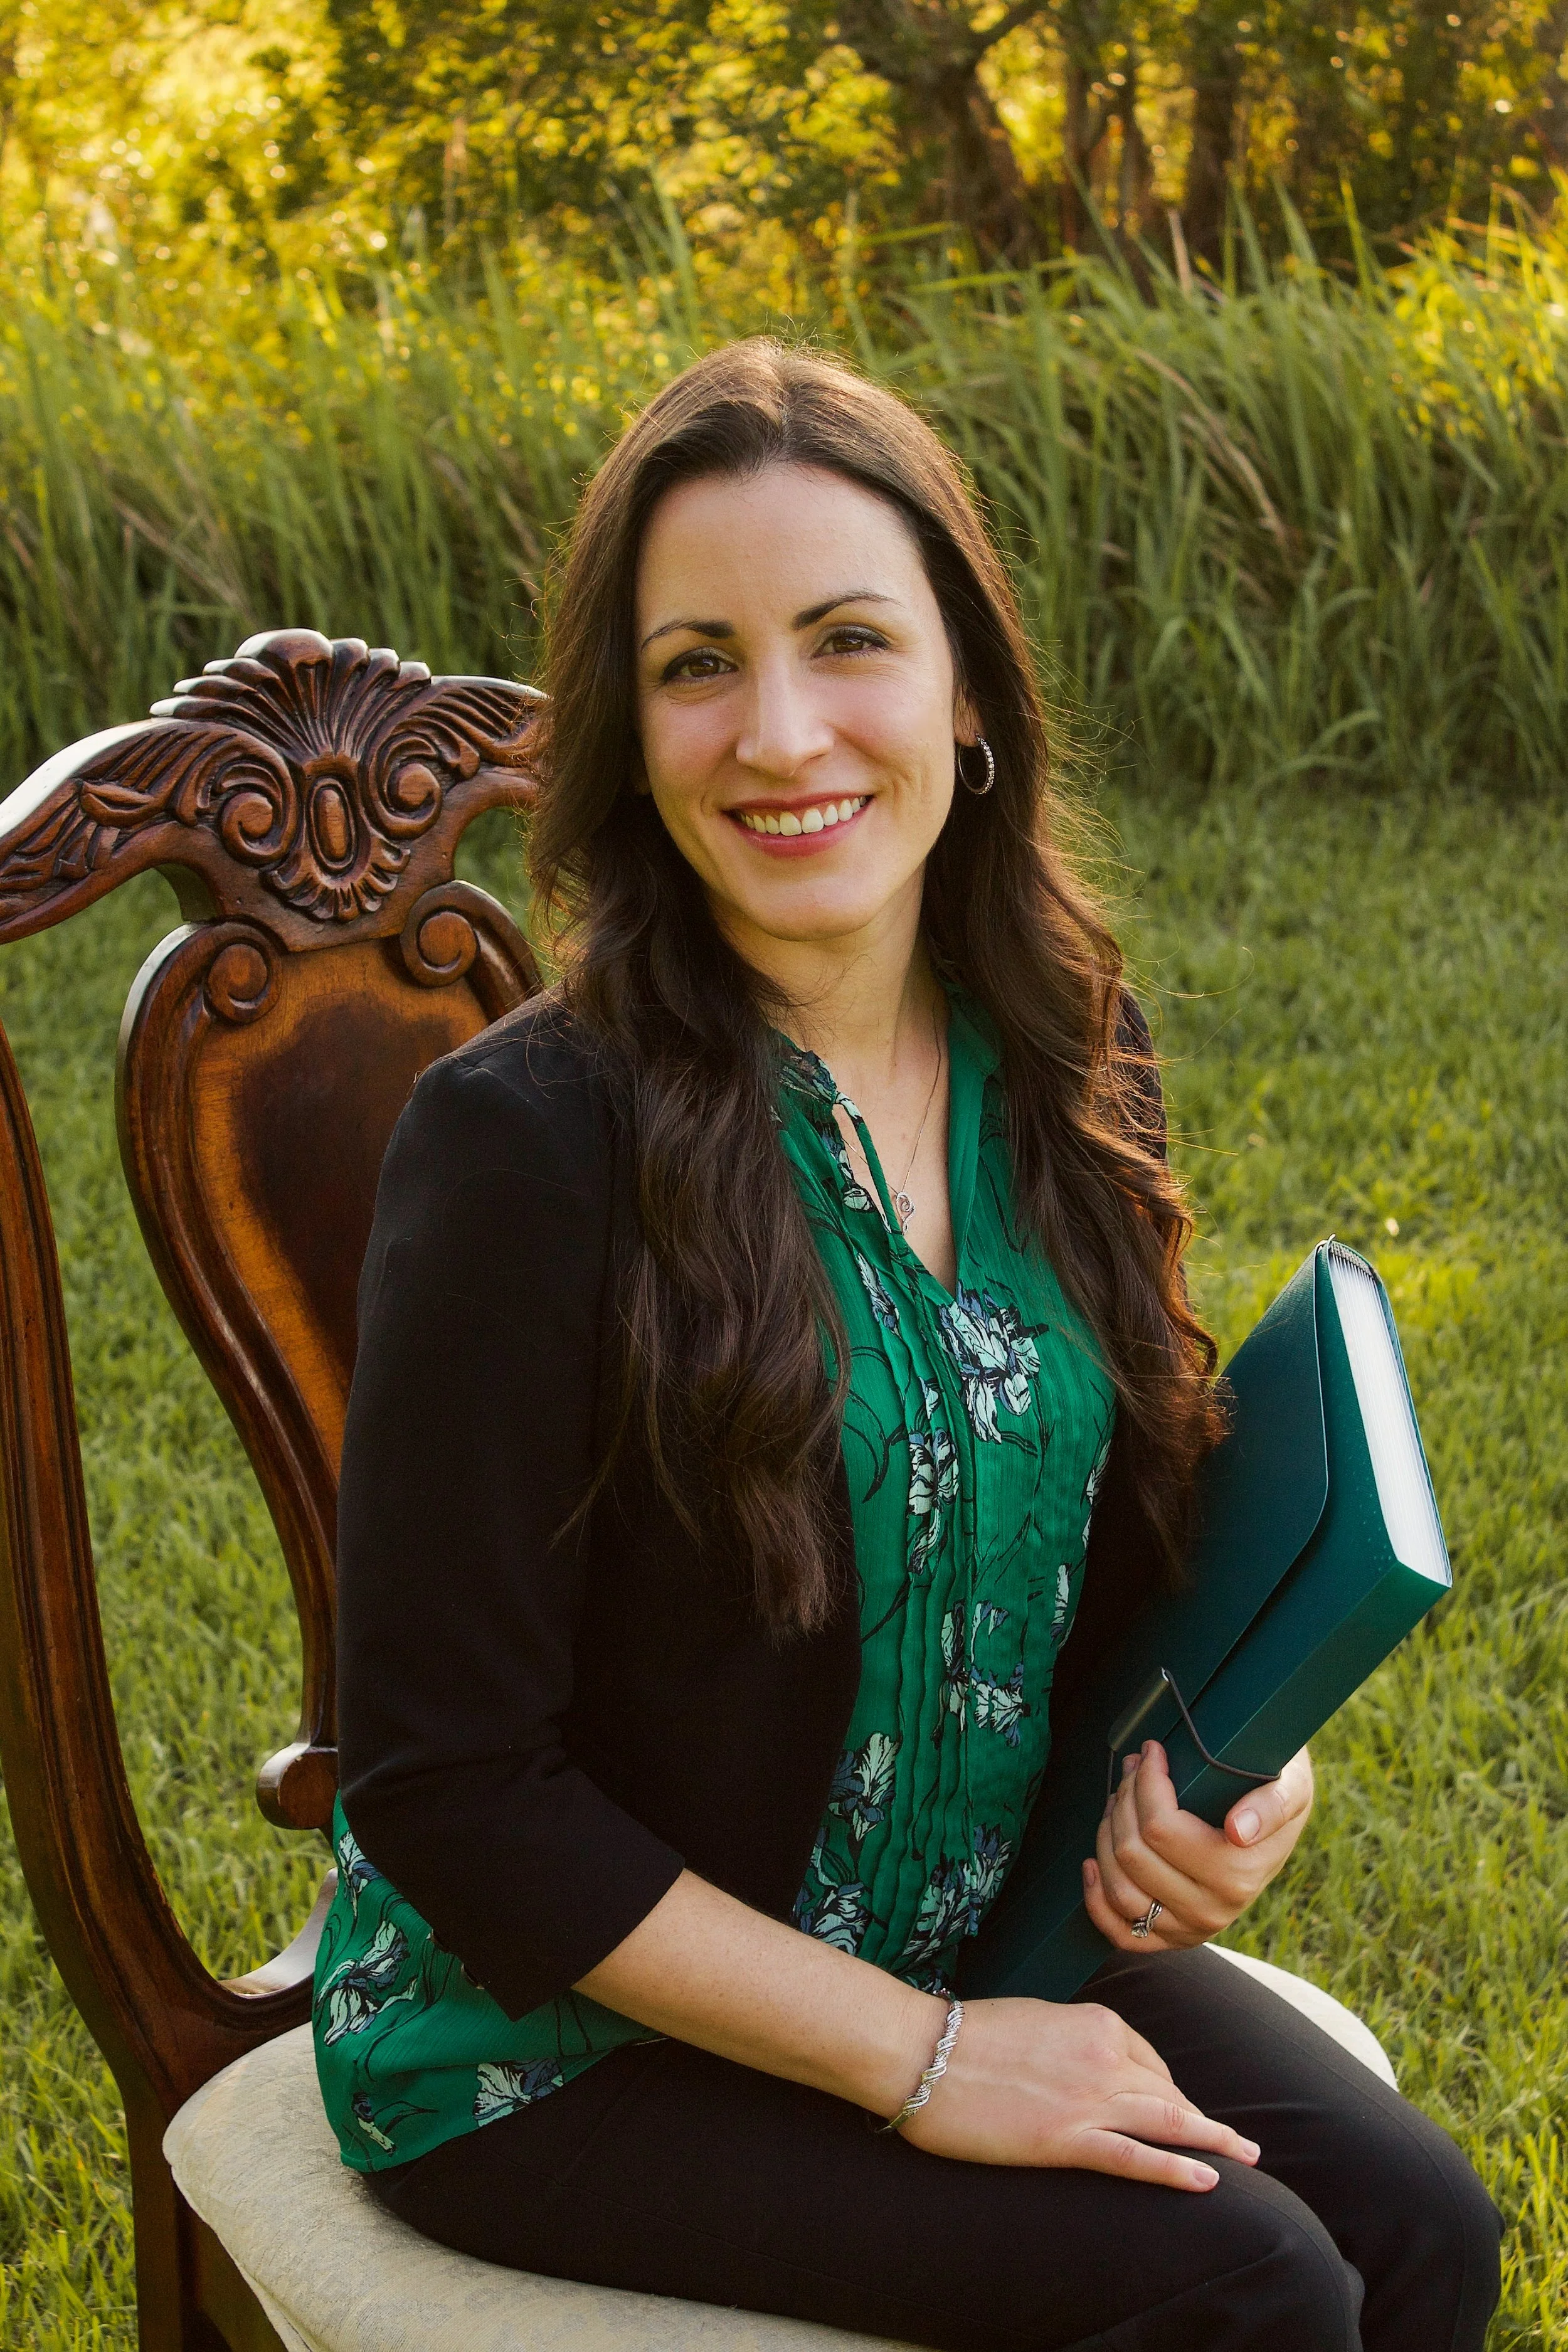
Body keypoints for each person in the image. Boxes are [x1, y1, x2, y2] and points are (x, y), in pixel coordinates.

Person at [313, 339, 1500, 2351]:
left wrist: (1230, 1770)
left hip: (961, 1913)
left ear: (968, 689)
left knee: (1420, 2228)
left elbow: (1125, 1536)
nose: (778, 733)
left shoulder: (1058, 1049)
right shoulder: (526, 1144)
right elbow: (449, 1785)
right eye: (698, 663)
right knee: (1248, 2283)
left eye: (846, 640)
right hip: (549, 2036)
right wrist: (930, 2062)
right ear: (631, 729)